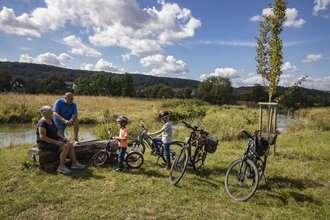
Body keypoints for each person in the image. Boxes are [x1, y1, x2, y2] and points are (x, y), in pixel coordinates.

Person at [36, 105, 85, 174]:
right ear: (44, 113)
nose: (52, 113)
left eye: (51, 111)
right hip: (44, 143)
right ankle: (61, 167)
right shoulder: (42, 123)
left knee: (70, 144)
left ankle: (74, 163)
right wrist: (57, 142)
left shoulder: (51, 120)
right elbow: (43, 137)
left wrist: (63, 139)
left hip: (53, 141)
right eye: (50, 112)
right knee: (65, 146)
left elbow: (56, 133)